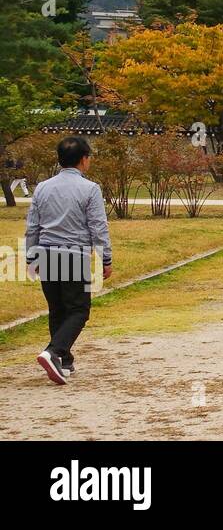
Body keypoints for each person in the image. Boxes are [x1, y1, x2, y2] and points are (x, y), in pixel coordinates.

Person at [24, 136, 113, 384]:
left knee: (58, 309)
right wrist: (106, 258)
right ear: (84, 159)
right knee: (79, 310)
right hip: (74, 255)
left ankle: (64, 360)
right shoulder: (90, 189)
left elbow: (32, 226)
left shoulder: (42, 187)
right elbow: (98, 227)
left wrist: (31, 256)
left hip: (46, 253)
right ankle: (53, 352)